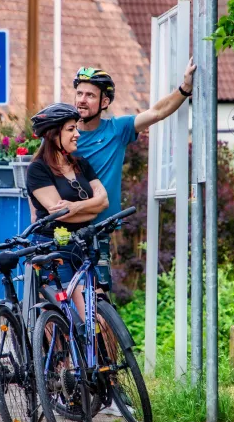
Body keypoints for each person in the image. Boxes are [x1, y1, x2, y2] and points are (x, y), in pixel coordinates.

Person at [65, 62, 197, 288]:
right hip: (65, 226)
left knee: (98, 298)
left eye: (90, 95)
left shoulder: (117, 130)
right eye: (79, 93)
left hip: (99, 228)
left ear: (104, 102)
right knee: (58, 298)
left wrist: (185, 87)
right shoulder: (63, 134)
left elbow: (156, 112)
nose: (82, 100)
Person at [25, 103, 108, 321]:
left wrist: (75, 207)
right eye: (71, 129)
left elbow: (104, 201)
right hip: (53, 246)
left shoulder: (81, 164)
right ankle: (62, 356)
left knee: (96, 316)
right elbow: (58, 214)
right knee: (64, 317)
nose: (77, 134)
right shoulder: (38, 169)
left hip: (82, 244)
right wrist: (89, 207)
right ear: (54, 135)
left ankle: (95, 356)